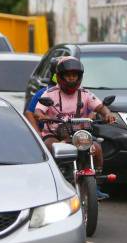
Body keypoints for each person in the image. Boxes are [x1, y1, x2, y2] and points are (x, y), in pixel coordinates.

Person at [34, 57, 116, 200]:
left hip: (79, 134)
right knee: (52, 148)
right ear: (60, 76)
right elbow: (38, 111)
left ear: (79, 77)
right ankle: (52, 184)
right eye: (68, 75)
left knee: (96, 148)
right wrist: (41, 116)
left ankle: (94, 184)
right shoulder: (50, 93)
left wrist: (107, 114)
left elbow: (101, 107)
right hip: (54, 134)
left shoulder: (85, 94)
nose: (72, 79)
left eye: (75, 75)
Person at [25, 57, 59, 132]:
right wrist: (38, 134)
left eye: (74, 75)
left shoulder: (83, 94)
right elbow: (29, 113)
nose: (71, 78)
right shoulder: (45, 93)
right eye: (66, 74)